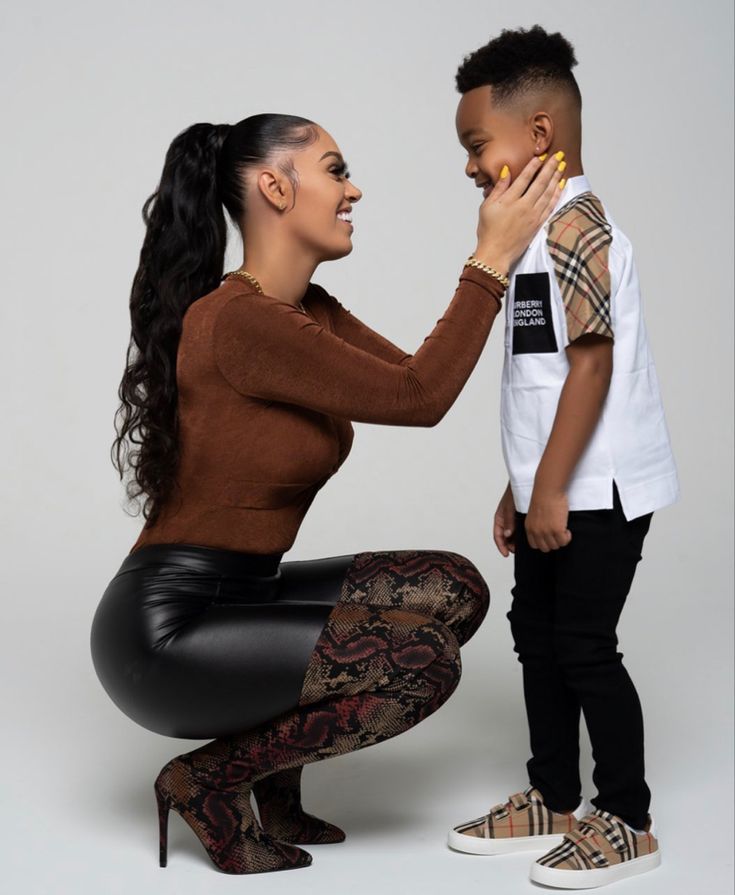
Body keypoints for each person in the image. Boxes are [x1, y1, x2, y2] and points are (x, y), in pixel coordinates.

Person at [90, 113, 564, 875]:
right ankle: (208, 779)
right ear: (275, 187)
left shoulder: (306, 310)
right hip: (169, 629)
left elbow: (416, 377)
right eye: (336, 170)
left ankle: (274, 785)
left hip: (249, 594)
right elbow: (421, 396)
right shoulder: (238, 320)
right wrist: (490, 257)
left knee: (453, 589)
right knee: (421, 660)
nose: (354, 190)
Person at [448, 26, 679, 889]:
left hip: (599, 488)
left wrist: (548, 488)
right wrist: (519, 486)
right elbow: (540, 378)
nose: (471, 166)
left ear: (538, 134)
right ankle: (552, 795)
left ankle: (627, 817)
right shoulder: (531, 235)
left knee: (582, 645)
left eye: (478, 145)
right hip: (553, 486)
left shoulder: (575, 228)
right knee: (535, 639)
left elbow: (591, 364)